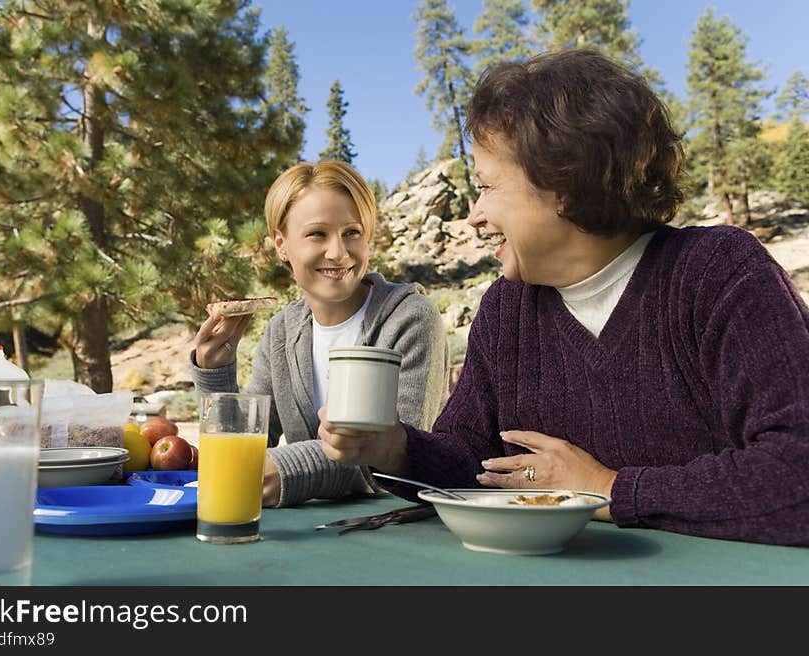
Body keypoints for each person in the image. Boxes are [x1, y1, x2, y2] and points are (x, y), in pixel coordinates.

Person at [317, 49, 809, 546]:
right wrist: (395, 449)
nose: (474, 216)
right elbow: (473, 467)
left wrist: (605, 489)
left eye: (487, 186)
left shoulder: (716, 273)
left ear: (565, 185)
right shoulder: (507, 308)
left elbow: (796, 469)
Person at [191, 160, 449, 508]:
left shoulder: (410, 318)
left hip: (400, 525)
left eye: (352, 233)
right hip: (312, 533)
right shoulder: (281, 332)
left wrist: (291, 469)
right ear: (281, 245)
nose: (338, 252)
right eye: (317, 234)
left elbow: (400, 455)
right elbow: (246, 445)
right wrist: (214, 373)